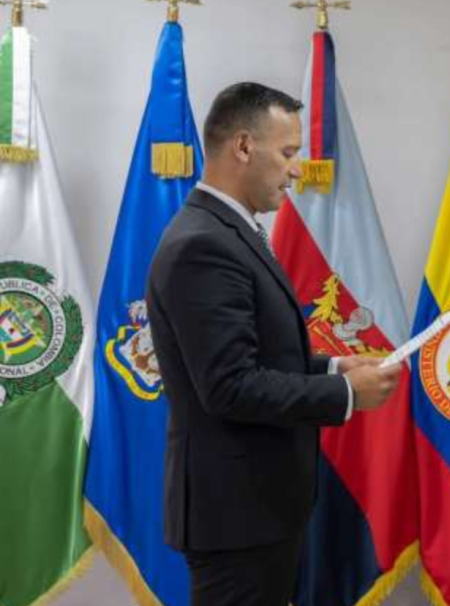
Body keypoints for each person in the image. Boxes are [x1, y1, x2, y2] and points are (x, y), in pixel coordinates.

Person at [146, 82, 402, 606]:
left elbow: (256, 355)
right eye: (287, 153)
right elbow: (229, 386)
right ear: (243, 146)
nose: (297, 170)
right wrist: (346, 395)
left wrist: (332, 368)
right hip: (236, 516)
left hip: (257, 510)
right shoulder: (204, 244)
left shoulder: (227, 231)